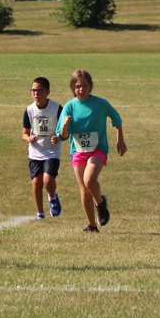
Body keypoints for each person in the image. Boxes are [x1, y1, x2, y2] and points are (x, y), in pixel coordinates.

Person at [56, 69, 126, 233]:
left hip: (98, 149)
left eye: (85, 85)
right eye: (78, 86)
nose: (81, 89)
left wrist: (120, 140)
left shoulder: (100, 103)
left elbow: (117, 119)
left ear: (90, 86)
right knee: (84, 190)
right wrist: (65, 125)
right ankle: (91, 225)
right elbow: (62, 135)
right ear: (73, 87)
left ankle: (100, 204)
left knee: (89, 180)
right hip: (78, 151)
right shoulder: (69, 106)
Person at [22, 76, 63, 219]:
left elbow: (65, 130)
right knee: (36, 182)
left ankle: (52, 198)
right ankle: (40, 213)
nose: (35, 94)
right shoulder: (29, 110)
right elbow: (25, 133)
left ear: (47, 92)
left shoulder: (57, 108)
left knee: (47, 180)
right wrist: (29, 138)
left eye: (39, 91)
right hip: (35, 151)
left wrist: (58, 136)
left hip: (52, 150)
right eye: (33, 91)